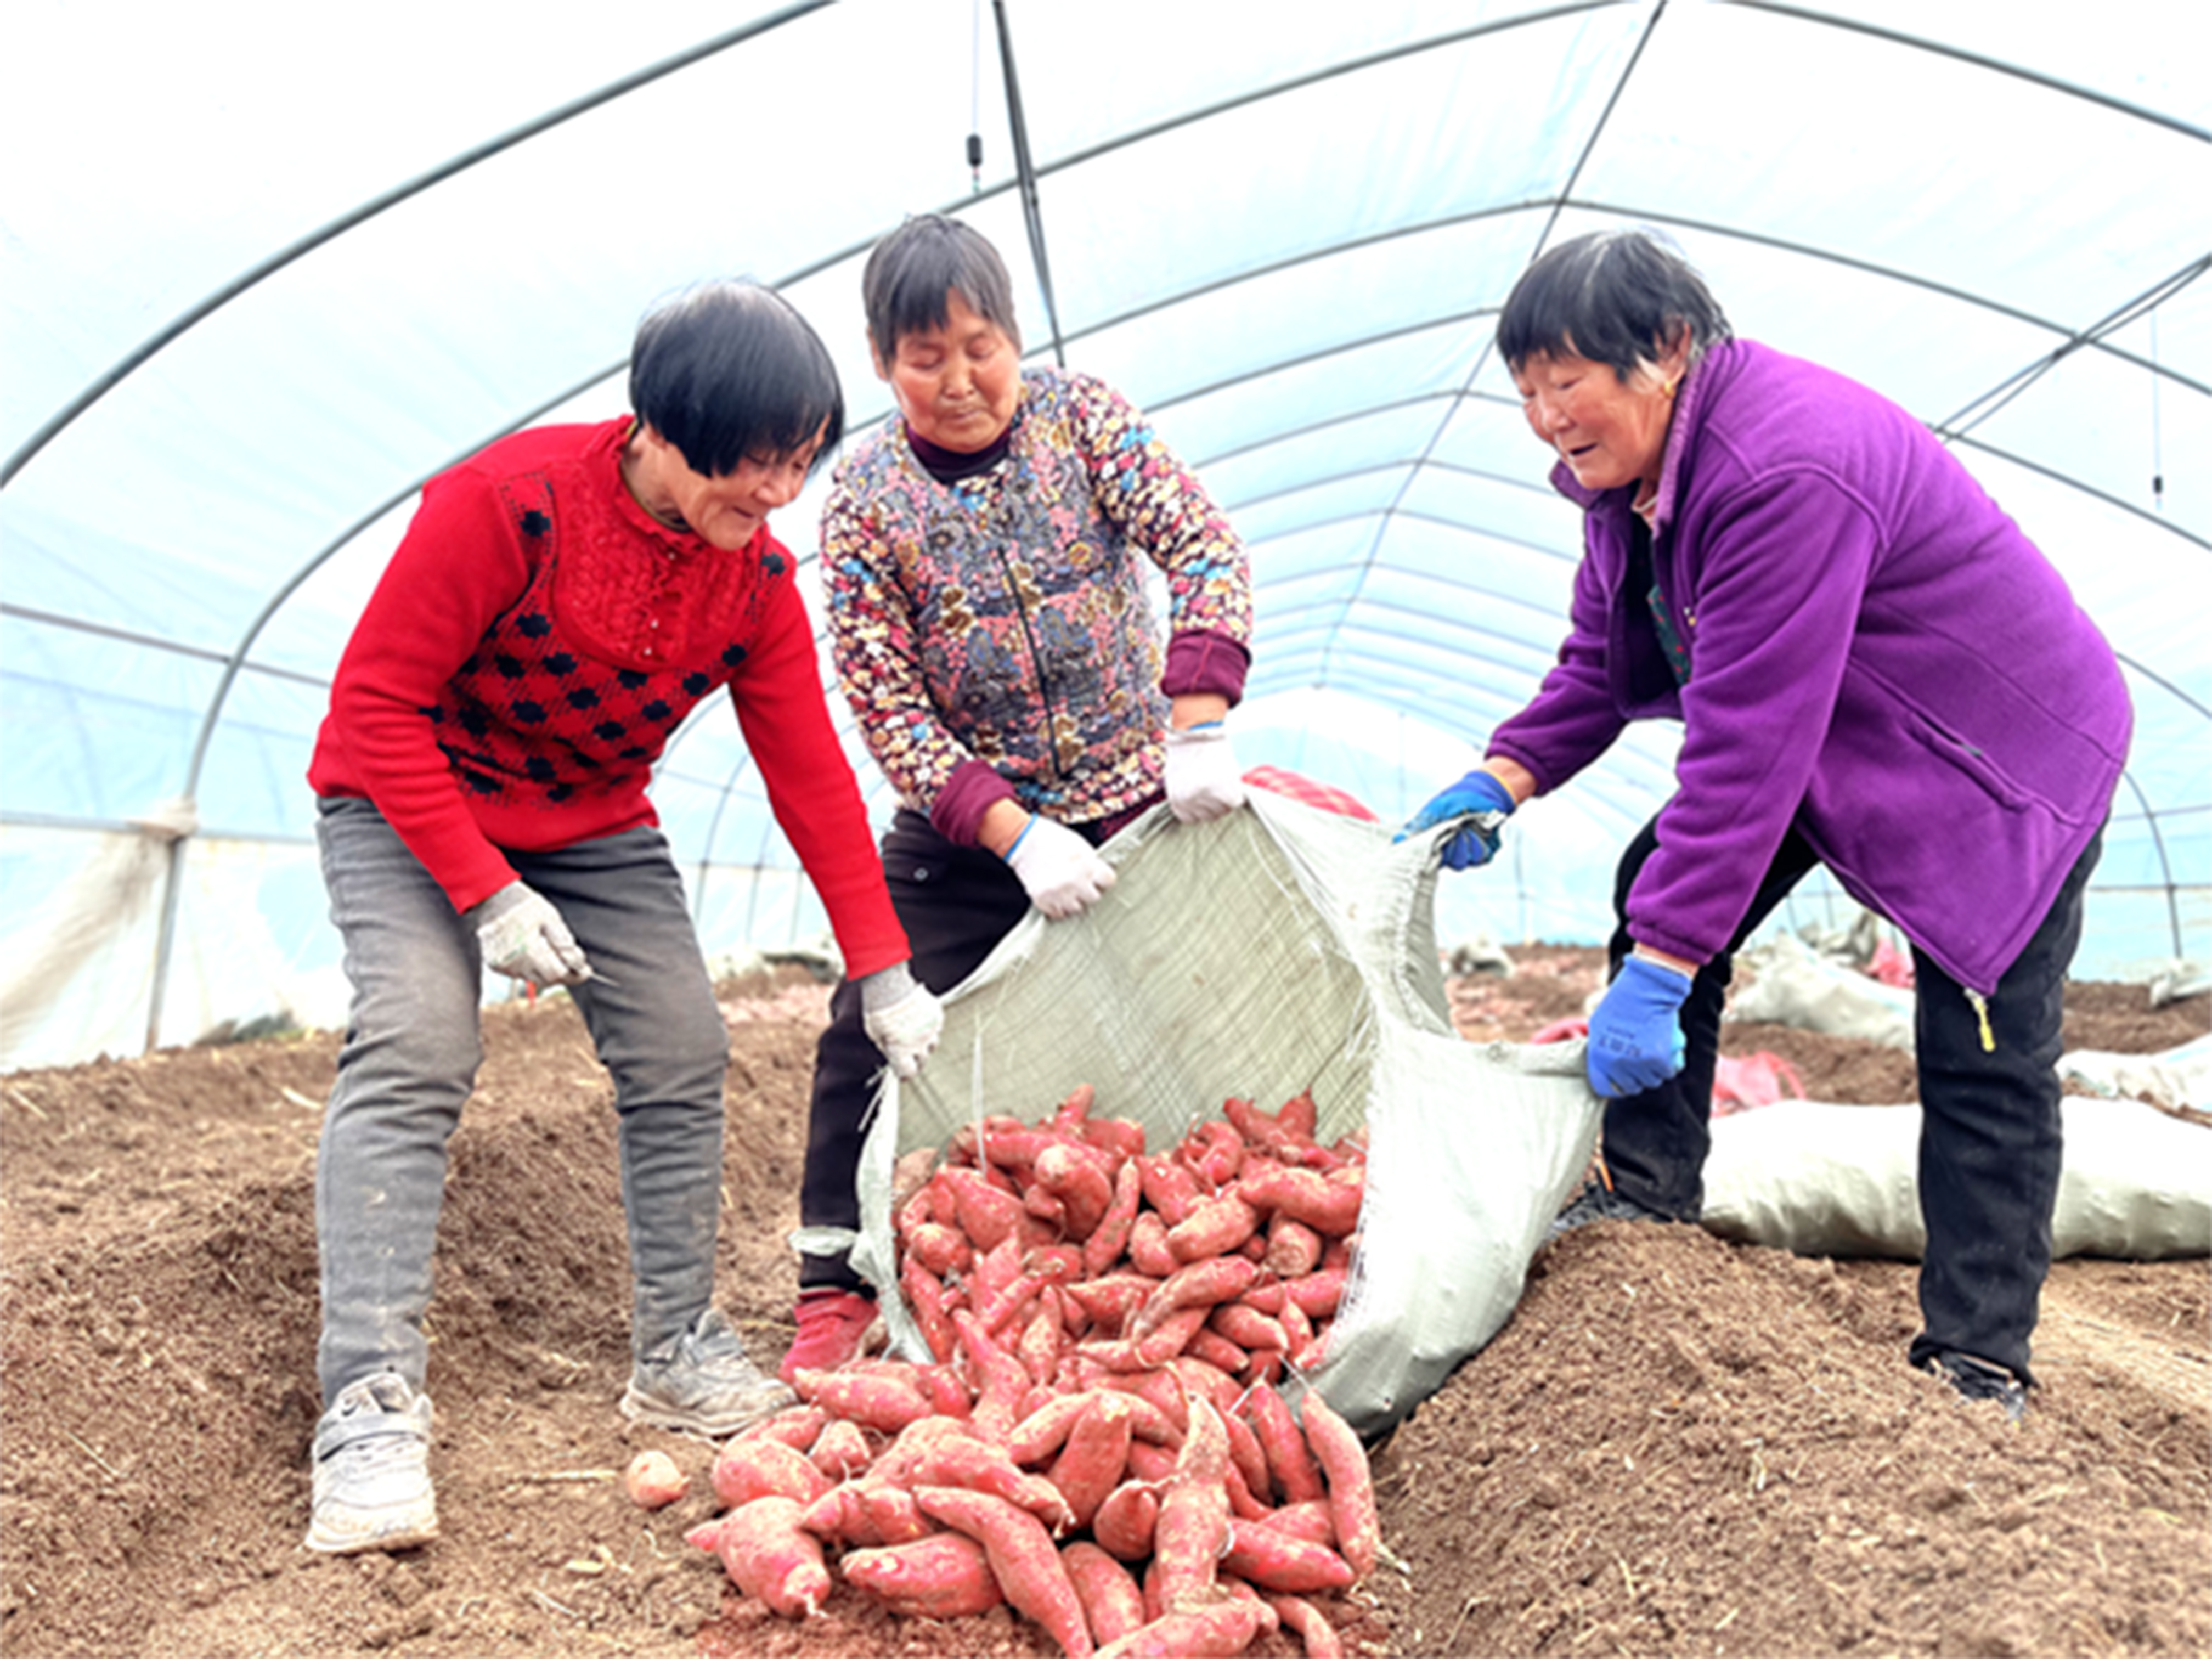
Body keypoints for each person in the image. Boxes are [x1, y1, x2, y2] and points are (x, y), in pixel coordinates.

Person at [1398, 229, 2130, 1420]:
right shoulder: (1632, 481)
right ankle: (1649, 1189)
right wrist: (1508, 772)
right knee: (1662, 873)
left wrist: (1666, 964)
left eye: (1566, 381)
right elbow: (1604, 657)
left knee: (1983, 1030)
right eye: (1525, 390)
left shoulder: (1781, 468)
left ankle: (1978, 1354)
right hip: (1858, 725)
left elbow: (1745, 748)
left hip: (2001, 757)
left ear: (1669, 351)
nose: (1543, 415)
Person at [302, 280, 944, 1554]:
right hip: (404, 799)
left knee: (681, 1046)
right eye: (752, 471)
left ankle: (679, 1348)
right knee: (420, 1044)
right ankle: (368, 1401)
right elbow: (374, 707)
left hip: (590, 819)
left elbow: (810, 773)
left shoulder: (755, 583)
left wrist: (883, 968)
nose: (774, 502)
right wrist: (484, 894)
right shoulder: (507, 507)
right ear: (665, 427)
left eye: (797, 470)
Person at [783, 214, 1254, 1377]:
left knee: (1188, 1024)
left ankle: (1183, 1265)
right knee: (870, 1027)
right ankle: (830, 1286)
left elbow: (1204, 549)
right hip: (970, 838)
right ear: (883, 364)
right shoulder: (866, 498)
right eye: (924, 358)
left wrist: (1196, 722)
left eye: (979, 347)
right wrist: (1011, 828)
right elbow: (887, 704)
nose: (959, 381)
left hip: (1136, 799)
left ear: (1015, 335)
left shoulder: (1083, 422)